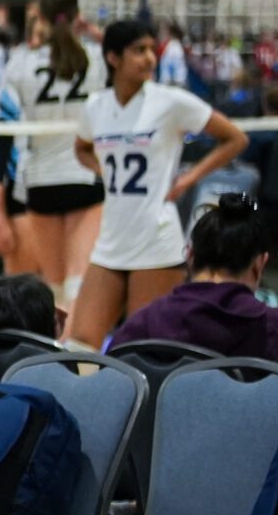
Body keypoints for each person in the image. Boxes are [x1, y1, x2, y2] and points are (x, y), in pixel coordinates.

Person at [71, 20, 251, 348]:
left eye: (151, 50)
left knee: (146, 349)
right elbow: (80, 147)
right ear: (113, 58)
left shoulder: (170, 102)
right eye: (138, 51)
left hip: (155, 242)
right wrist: (103, 171)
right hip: (110, 242)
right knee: (79, 344)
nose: (149, 58)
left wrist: (189, 178)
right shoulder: (95, 107)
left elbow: (235, 139)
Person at [0, 0, 106, 304]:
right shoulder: (95, 57)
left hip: (41, 181)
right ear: (77, 16)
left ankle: (56, 351)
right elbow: (124, 56)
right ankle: (77, 352)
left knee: (54, 286)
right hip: (83, 176)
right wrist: (93, 32)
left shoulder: (21, 63)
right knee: (78, 281)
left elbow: (0, 117)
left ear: (40, 18)